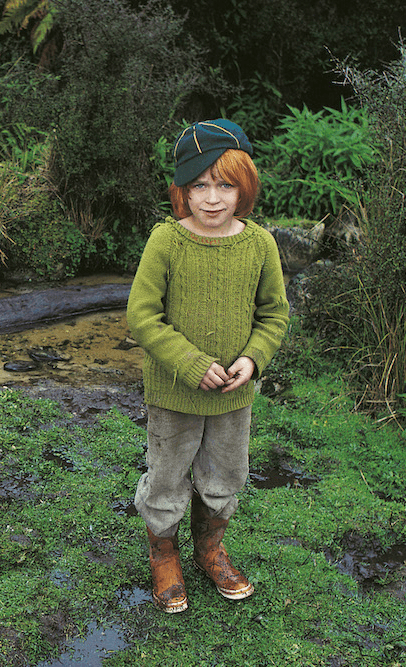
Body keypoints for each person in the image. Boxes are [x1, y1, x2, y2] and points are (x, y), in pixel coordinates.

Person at [126, 119, 289, 612]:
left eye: (225, 184)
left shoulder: (260, 244)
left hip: (232, 398)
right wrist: (190, 362)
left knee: (225, 474)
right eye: (199, 185)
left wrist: (253, 358)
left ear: (245, 187)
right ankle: (164, 553)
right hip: (174, 396)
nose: (212, 198)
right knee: (168, 474)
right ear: (183, 191)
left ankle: (210, 548)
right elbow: (142, 314)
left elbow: (274, 313)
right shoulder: (166, 241)